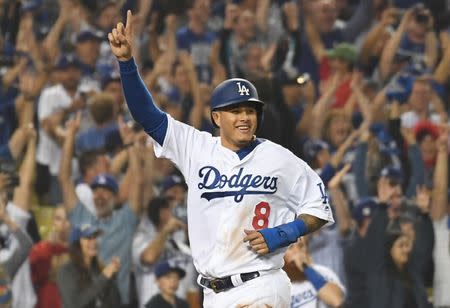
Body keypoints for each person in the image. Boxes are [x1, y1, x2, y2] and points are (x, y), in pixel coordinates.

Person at [109, 11, 334, 307]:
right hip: (213, 293)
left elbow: (319, 206)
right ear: (216, 117)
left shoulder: (279, 158)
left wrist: (286, 232)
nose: (244, 117)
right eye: (235, 111)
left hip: (262, 283)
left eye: (250, 111)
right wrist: (126, 64)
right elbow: (147, 116)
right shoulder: (196, 148)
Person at [56, 224, 121, 308]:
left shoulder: (99, 268)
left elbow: (114, 301)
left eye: (94, 237)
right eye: (88, 238)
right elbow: (74, 304)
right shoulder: (66, 271)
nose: (94, 241)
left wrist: (112, 277)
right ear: (77, 244)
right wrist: (104, 277)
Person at [283, 239, 345, 308]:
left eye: (301, 246)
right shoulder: (279, 288)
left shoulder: (322, 272)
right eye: (291, 248)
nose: (298, 252)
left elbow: (337, 301)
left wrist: (306, 268)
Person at [29, 207, 71, 308]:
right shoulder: (42, 248)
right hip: (47, 300)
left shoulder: (80, 247)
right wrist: (50, 247)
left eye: (67, 218)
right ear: (53, 222)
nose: (63, 223)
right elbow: (34, 276)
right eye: (58, 218)